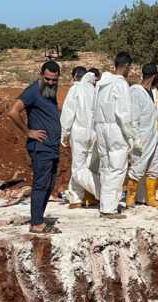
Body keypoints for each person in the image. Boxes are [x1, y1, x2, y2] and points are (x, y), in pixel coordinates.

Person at [7, 61, 63, 234]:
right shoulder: (34, 90)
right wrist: (28, 132)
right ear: (41, 75)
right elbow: (13, 111)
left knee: (49, 183)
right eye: (48, 79)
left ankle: (39, 217)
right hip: (41, 148)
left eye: (54, 80)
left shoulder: (50, 91)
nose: (51, 82)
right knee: (40, 184)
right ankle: (36, 223)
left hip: (52, 147)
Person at [93, 52, 142, 219]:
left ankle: (105, 204)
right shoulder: (121, 84)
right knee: (117, 168)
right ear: (127, 66)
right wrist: (132, 137)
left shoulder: (101, 84)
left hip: (101, 129)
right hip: (115, 130)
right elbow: (123, 114)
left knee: (106, 166)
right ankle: (109, 208)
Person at [126, 63, 158, 210]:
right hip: (142, 137)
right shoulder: (136, 92)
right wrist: (135, 138)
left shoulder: (154, 92)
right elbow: (133, 118)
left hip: (156, 134)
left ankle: (151, 198)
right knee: (138, 166)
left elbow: (156, 112)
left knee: (154, 165)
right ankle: (130, 198)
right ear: (154, 76)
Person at [61, 66, 99, 209]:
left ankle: (97, 191)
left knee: (78, 168)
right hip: (95, 134)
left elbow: (68, 114)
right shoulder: (95, 90)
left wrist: (64, 134)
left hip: (79, 133)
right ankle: (85, 197)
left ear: (75, 76)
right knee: (89, 167)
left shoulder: (75, 89)